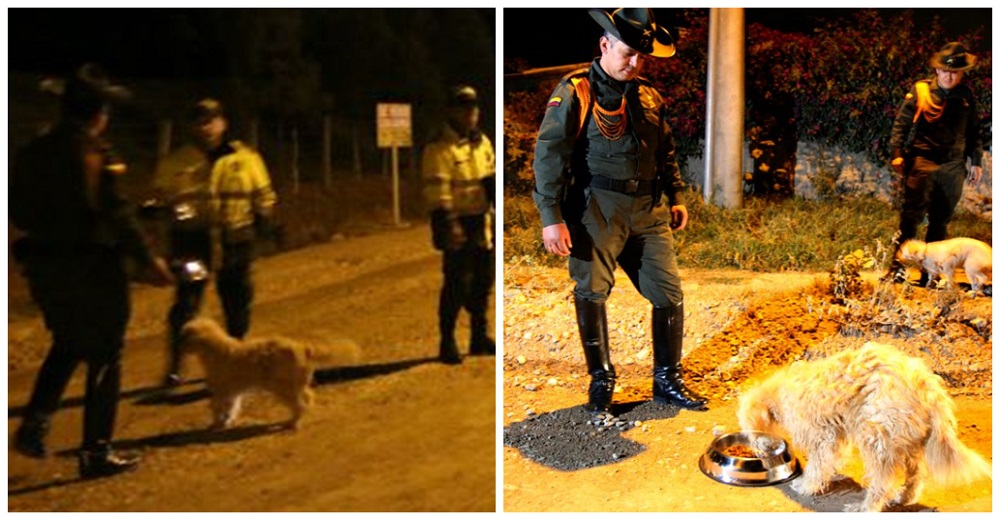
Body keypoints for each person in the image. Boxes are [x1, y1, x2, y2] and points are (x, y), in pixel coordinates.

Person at [532, 8, 707, 413]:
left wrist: (677, 196)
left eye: (642, 58)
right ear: (605, 44)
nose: (635, 63)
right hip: (596, 210)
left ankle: (667, 381)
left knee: (668, 293)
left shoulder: (649, 95)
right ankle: (602, 379)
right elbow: (549, 155)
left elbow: (665, 151)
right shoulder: (575, 91)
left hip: (647, 211)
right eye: (628, 54)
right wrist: (551, 217)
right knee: (592, 291)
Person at [10, 63, 173, 478]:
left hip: (45, 267)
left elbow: (13, 205)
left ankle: (35, 423)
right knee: (106, 353)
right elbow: (117, 213)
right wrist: (147, 260)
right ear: (100, 114)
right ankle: (96, 450)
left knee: (67, 341)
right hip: (93, 268)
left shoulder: (32, 152)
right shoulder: (95, 154)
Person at [152, 98, 277, 385]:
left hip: (235, 242)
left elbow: (264, 196)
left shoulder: (246, 159)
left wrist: (263, 222)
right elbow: (161, 202)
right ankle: (175, 366)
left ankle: (236, 358)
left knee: (236, 301)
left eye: (211, 120)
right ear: (190, 126)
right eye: (199, 121)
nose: (205, 126)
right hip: (193, 244)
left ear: (223, 123)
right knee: (187, 302)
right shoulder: (175, 163)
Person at [886, 42, 983, 285]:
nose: (949, 75)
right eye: (945, 71)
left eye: (955, 72)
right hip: (923, 161)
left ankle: (930, 274)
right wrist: (897, 152)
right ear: (937, 71)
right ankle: (896, 268)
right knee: (911, 217)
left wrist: (976, 161)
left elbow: (974, 131)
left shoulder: (966, 97)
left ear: (961, 74)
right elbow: (901, 124)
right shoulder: (921, 91)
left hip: (953, 165)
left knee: (940, 220)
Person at [422, 85, 497, 364]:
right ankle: (447, 340)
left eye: (474, 108)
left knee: (482, 281)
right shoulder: (439, 147)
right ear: (451, 111)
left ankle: (478, 337)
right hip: (455, 220)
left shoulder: (482, 142)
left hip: (480, 220)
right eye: (464, 108)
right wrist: (448, 224)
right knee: (456, 284)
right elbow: (437, 191)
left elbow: (488, 176)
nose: (471, 113)